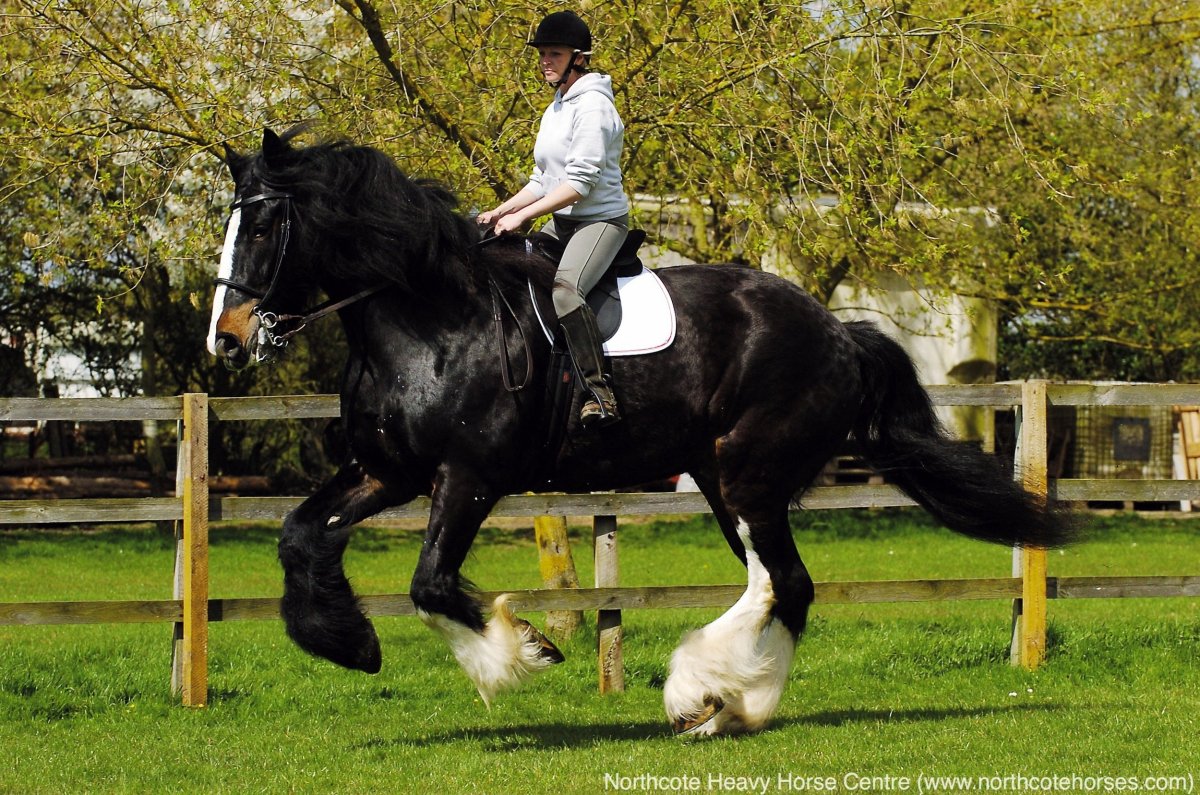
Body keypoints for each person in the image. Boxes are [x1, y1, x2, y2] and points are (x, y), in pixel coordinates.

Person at [477, 10, 628, 428]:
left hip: (599, 223)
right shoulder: (557, 106)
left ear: (579, 58)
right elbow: (543, 179)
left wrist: (523, 216)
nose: (545, 60)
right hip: (562, 222)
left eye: (554, 53)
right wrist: (502, 210)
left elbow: (578, 185)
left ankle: (600, 392)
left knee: (564, 292)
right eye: (542, 53)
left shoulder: (594, 106)